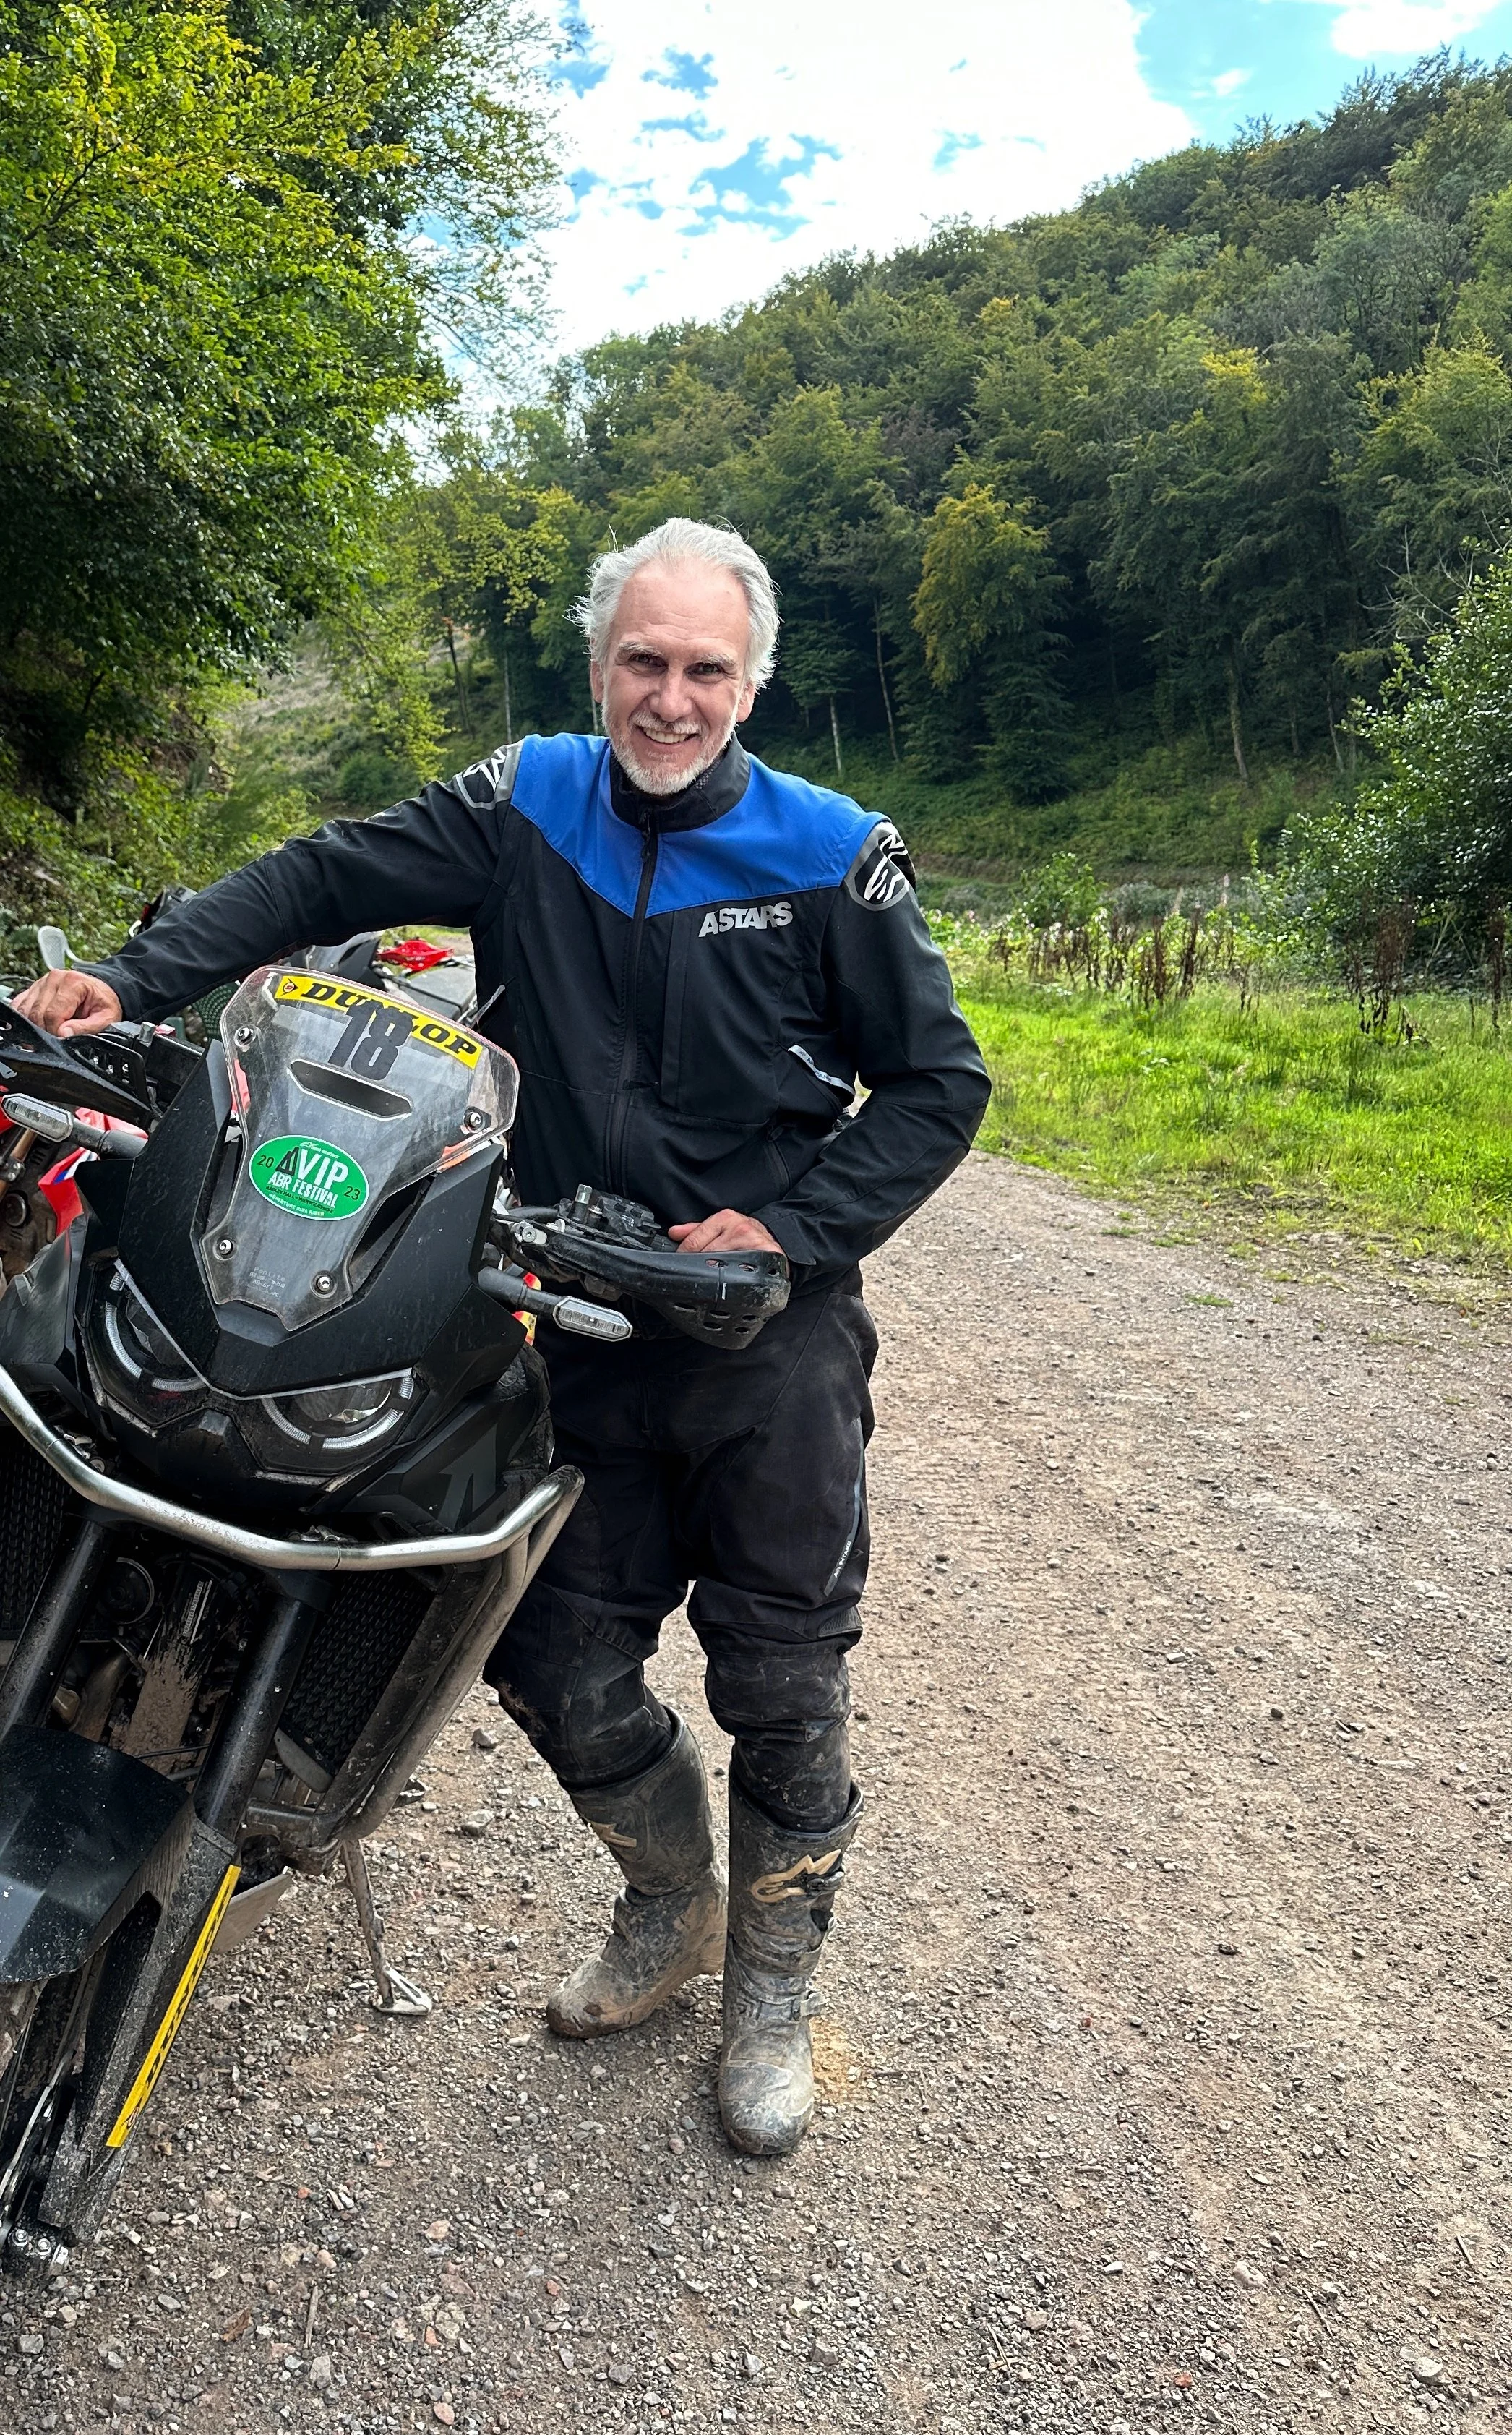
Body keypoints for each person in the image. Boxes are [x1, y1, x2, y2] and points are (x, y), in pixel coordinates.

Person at [14, 519, 990, 2156]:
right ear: (598, 661)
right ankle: (666, 1901)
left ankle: (766, 1989)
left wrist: (795, 1231)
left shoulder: (831, 855)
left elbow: (938, 1086)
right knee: (544, 1655)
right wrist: (133, 976)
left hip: (764, 1342)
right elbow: (325, 877)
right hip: (547, 1314)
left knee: (780, 1677)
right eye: (642, 662)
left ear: (751, 681)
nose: (669, 700)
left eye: (702, 670)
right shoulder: (528, 798)